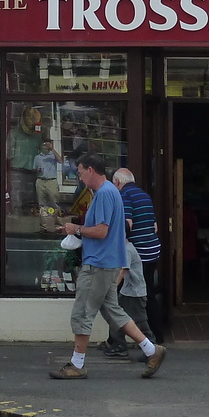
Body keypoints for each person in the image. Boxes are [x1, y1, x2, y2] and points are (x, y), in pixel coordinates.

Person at [50, 154, 166, 380]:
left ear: (91, 170)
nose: (80, 177)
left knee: (83, 312)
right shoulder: (112, 193)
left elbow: (102, 231)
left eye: (81, 172)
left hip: (99, 264)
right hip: (110, 262)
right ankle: (152, 350)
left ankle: (77, 363)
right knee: (114, 311)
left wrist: (77, 229)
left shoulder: (103, 194)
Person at [111, 167, 164, 339]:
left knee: (127, 295)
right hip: (153, 250)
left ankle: (151, 337)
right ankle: (154, 334)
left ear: (118, 182)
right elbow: (154, 226)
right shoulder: (144, 195)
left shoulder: (124, 195)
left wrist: (119, 242)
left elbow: (128, 224)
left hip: (139, 253)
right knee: (145, 292)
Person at [102, 240, 153, 357]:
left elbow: (123, 271)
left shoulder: (127, 250)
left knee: (140, 321)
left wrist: (112, 287)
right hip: (127, 291)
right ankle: (119, 344)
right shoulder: (124, 248)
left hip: (135, 293)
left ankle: (153, 347)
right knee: (116, 316)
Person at [33, 139, 61, 209]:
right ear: (41, 146)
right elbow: (34, 169)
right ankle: (44, 217)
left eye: (48, 145)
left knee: (54, 200)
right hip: (40, 180)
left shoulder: (53, 155)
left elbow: (61, 161)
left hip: (51, 181)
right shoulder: (37, 157)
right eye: (45, 145)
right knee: (41, 202)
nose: (46, 147)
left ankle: (56, 215)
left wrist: (53, 149)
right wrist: (37, 170)